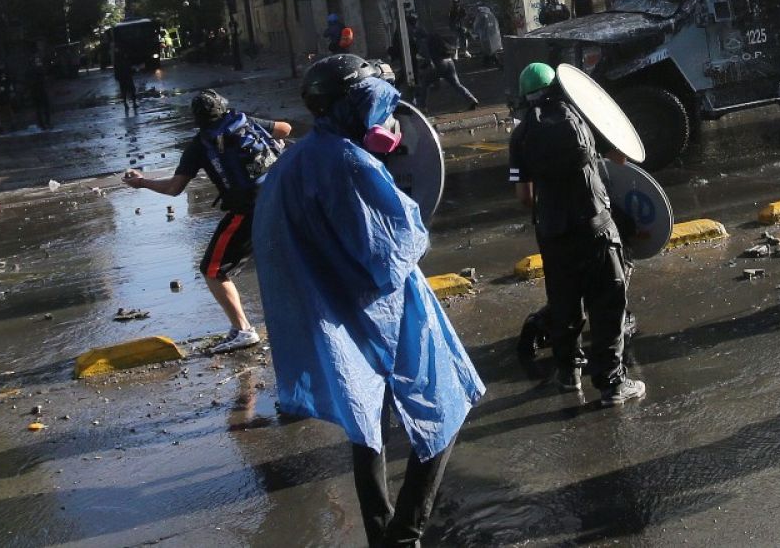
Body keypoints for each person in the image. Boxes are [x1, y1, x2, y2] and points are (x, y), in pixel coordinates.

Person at [252, 54, 483, 546]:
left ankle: (380, 531)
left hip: (335, 317)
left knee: (367, 425)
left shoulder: (292, 162)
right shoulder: (351, 164)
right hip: (387, 312)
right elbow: (393, 253)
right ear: (357, 105)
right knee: (443, 407)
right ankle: (405, 532)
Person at [508, 62, 645, 406]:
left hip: (553, 235)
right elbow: (621, 158)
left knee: (564, 305)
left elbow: (524, 197)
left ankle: (569, 376)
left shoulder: (520, 136)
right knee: (607, 305)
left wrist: (550, 205)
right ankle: (612, 386)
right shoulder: (581, 117)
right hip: (596, 228)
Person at [123, 90, 291, 354]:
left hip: (247, 211)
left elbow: (174, 188)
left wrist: (142, 182)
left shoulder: (200, 145)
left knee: (213, 270)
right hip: (281, 201)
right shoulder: (244, 121)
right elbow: (285, 128)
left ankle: (243, 330)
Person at [423, 30, 479, 111]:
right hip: (449, 62)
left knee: (425, 83)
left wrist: (424, 65)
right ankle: (471, 99)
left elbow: (427, 56)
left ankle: (422, 107)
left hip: (439, 64)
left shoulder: (427, 41)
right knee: (457, 84)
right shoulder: (439, 38)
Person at [471, 3, 503, 68]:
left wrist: (475, 33)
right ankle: (487, 63)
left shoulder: (480, 16)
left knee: (489, 50)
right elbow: (496, 25)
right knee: (490, 50)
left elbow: (476, 26)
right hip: (494, 36)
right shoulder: (491, 14)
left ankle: (497, 63)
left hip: (485, 36)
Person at [28, 55, 52, 130]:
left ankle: (44, 123)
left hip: (38, 90)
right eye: (37, 61)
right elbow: (40, 78)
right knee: (41, 108)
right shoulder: (36, 70)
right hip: (38, 90)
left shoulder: (35, 69)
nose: (39, 63)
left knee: (42, 108)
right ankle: (44, 123)